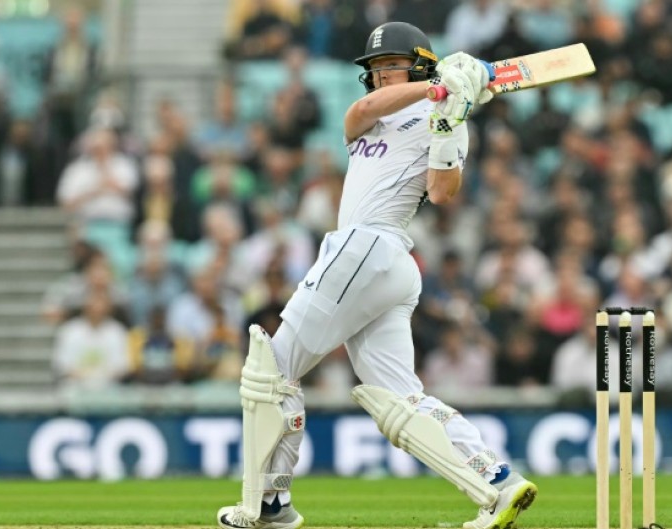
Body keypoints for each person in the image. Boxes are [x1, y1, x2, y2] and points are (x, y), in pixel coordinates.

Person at [217, 21, 537, 529]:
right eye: (376, 68)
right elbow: (360, 110)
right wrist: (441, 88)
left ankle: (269, 505)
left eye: (392, 65)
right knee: (398, 399)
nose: (382, 76)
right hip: (380, 264)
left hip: (371, 246)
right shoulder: (373, 117)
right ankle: (496, 483)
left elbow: (443, 191)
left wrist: (450, 118)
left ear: (419, 63)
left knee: (271, 373)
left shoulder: (445, 117)